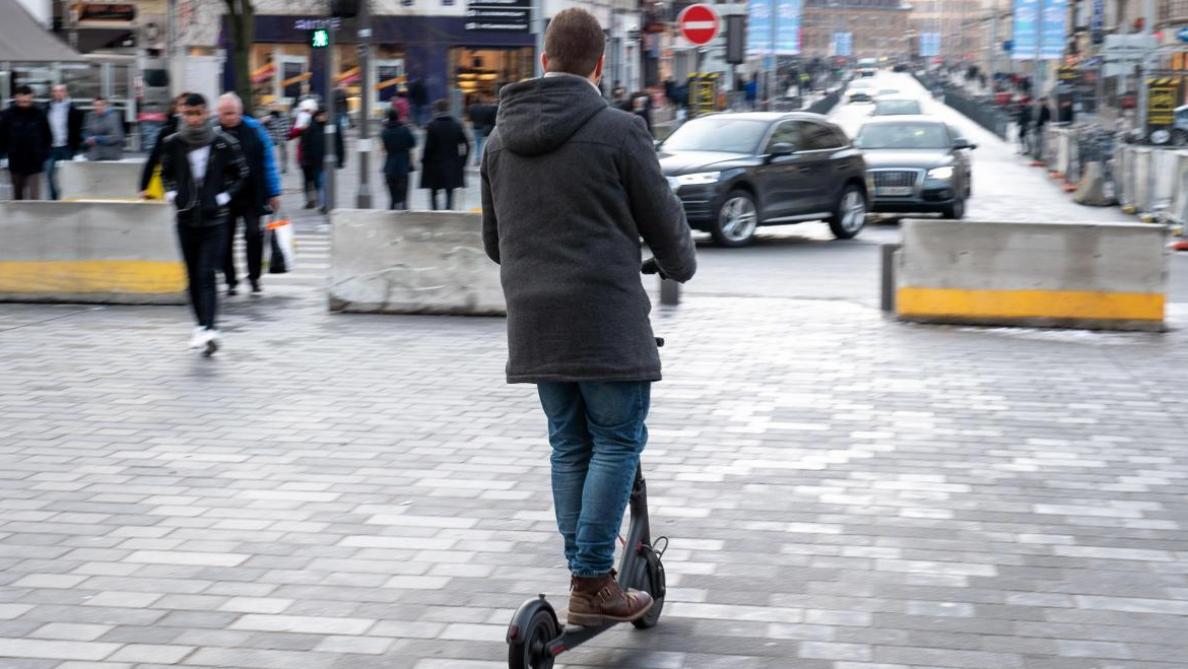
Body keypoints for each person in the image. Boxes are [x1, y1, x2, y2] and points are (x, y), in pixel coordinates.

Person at [480, 7, 696, 627]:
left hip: (535, 321)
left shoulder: (498, 140)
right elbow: (665, 226)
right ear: (600, 64)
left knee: (569, 445)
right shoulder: (620, 131)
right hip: (604, 320)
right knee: (617, 439)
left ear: (544, 60)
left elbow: (496, 242)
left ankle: (586, 572)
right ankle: (594, 581)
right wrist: (677, 263)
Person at [158, 93, 248, 355]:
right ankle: (201, 325)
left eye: (198, 113)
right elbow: (166, 173)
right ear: (181, 114)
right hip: (186, 218)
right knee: (192, 276)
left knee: (206, 272)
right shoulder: (173, 143)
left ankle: (209, 326)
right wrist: (172, 193)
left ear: (207, 113)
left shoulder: (223, 143)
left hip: (214, 219)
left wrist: (223, 196)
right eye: (188, 113)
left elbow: (240, 174)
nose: (193, 119)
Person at [216, 93, 282, 297]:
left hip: (251, 192)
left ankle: (254, 277)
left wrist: (274, 192)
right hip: (223, 195)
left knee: (254, 234)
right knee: (224, 238)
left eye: (232, 113)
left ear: (240, 111)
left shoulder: (254, 129)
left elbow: (268, 162)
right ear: (218, 113)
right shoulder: (213, 131)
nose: (228, 117)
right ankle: (230, 280)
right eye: (224, 114)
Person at [0, 85, 52, 200]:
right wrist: (4, 155)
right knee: (17, 197)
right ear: (16, 97)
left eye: (27, 97)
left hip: (35, 163)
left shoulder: (40, 114)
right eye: (21, 97)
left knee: (34, 198)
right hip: (15, 162)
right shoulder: (7, 115)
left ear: (31, 97)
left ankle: (35, 217)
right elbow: (2, 137)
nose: (24, 100)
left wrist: (43, 155)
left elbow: (47, 136)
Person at [420, 99, 469, 210]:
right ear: (448, 109)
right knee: (450, 191)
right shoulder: (456, 125)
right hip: (452, 164)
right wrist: (462, 161)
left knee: (433, 192)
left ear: (436, 109)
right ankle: (448, 213)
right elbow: (467, 145)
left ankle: (434, 213)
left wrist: (424, 160)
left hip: (434, 165)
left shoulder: (431, 126)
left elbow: (428, 148)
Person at [140, 93, 190, 199]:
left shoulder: (202, 132)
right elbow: (153, 158)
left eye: (188, 104)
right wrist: (144, 187)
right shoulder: (166, 131)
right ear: (175, 108)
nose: (185, 108)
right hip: (170, 185)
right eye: (181, 105)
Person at [296, 106, 343, 212]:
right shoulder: (311, 127)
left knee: (325, 182)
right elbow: (305, 145)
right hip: (315, 161)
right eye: (321, 115)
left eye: (324, 114)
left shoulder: (332, 125)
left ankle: (326, 204)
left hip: (328, 160)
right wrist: (306, 159)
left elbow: (339, 143)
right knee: (319, 183)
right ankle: (323, 203)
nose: (323, 117)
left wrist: (340, 158)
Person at [44, 84, 85, 200]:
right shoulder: (46, 109)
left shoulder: (73, 110)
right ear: (52, 93)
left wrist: (75, 147)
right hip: (50, 147)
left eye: (61, 91)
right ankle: (54, 198)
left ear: (65, 93)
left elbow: (77, 130)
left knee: (68, 174)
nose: (58, 93)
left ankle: (67, 197)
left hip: (67, 147)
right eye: (55, 91)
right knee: (49, 174)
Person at [381, 108, 416, 210]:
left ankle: (392, 213)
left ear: (388, 118)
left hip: (390, 166)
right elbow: (413, 143)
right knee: (404, 198)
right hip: (404, 165)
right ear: (398, 117)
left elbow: (385, 147)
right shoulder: (405, 129)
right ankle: (404, 214)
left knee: (392, 199)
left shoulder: (384, 132)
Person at [83, 97, 125, 161]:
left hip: (110, 153)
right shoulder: (91, 116)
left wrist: (98, 138)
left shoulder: (113, 117)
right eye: (95, 105)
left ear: (106, 106)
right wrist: (87, 138)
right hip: (95, 153)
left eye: (100, 105)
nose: (97, 108)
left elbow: (116, 137)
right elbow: (87, 131)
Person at [467, 94, 497, 166]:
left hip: (475, 127)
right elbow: (487, 117)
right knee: (482, 143)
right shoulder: (484, 108)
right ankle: (481, 158)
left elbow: (470, 118)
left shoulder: (471, 108)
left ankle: (477, 159)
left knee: (477, 143)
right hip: (482, 127)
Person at [264, 105, 291, 174]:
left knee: (283, 154)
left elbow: (287, 127)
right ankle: (277, 167)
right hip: (274, 138)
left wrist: (287, 135)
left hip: (282, 138)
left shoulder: (283, 116)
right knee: (275, 154)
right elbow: (266, 128)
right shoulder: (269, 117)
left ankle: (284, 167)